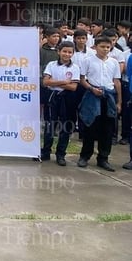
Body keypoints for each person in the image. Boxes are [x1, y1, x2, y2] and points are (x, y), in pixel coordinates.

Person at [77, 35, 121, 171]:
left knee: (107, 129)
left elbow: (117, 82)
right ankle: (85, 156)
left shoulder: (114, 62)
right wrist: (91, 88)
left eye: (108, 47)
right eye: (102, 47)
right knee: (90, 127)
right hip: (92, 95)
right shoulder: (87, 60)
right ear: (95, 47)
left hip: (109, 96)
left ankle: (103, 158)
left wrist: (119, 101)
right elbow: (82, 79)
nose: (105, 49)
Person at [41, 41, 79, 166]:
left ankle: (60, 154)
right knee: (50, 125)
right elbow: (46, 82)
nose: (67, 54)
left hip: (68, 99)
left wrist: (55, 82)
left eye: (70, 52)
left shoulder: (75, 67)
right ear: (59, 51)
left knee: (65, 127)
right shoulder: (51, 65)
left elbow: (73, 87)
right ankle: (45, 151)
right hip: (53, 98)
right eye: (64, 51)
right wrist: (63, 81)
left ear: (73, 53)